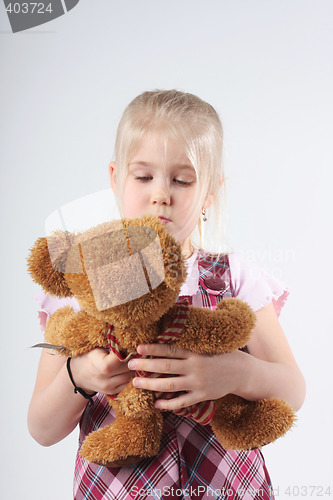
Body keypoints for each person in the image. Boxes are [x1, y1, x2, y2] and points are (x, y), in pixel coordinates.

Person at [28, 89, 306, 500]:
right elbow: (41, 428)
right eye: (143, 176)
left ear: (210, 190)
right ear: (115, 178)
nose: (161, 193)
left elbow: (293, 389)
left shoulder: (233, 276)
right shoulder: (83, 283)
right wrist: (81, 376)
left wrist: (237, 373)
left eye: (182, 179)